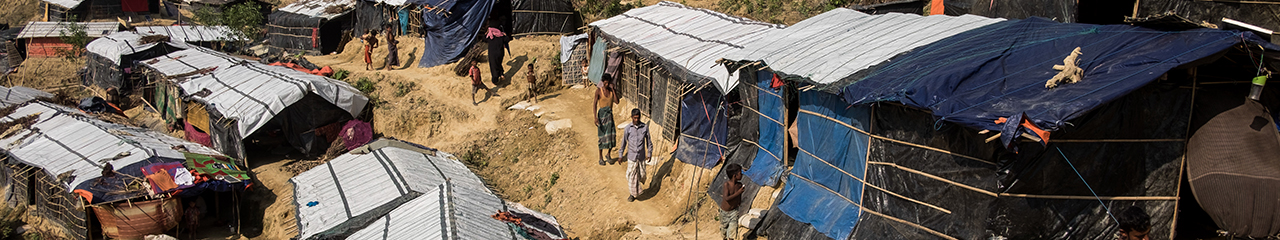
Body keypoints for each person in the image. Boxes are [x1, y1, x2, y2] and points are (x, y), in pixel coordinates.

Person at [618, 108, 652, 202]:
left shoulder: (644, 128)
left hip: (641, 157)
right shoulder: (628, 129)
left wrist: (649, 153)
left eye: (638, 118)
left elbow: (649, 142)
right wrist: (620, 155)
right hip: (632, 157)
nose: (636, 120)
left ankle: (637, 189)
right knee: (632, 175)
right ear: (632, 117)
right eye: (634, 118)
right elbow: (623, 143)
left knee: (642, 174)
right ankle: (632, 194)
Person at [594, 75, 618, 165]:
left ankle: (608, 154)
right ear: (603, 82)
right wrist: (595, 117)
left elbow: (617, 101)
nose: (606, 84)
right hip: (601, 116)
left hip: (609, 116)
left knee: (612, 135)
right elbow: (594, 104)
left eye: (608, 82)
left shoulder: (611, 91)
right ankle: (600, 157)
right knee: (602, 137)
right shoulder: (599, 91)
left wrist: (614, 90)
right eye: (605, 82)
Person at [719, 163, 745, 240]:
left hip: (734, 212)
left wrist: (738, 203)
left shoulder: (739, 185)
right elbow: (726, 198)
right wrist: (738, 193)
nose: (742, 175)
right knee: (724, 231)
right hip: (724, 212)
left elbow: (738, 198)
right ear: (734, 175)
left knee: (732, 232)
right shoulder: (726, 185)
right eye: (740, 173)